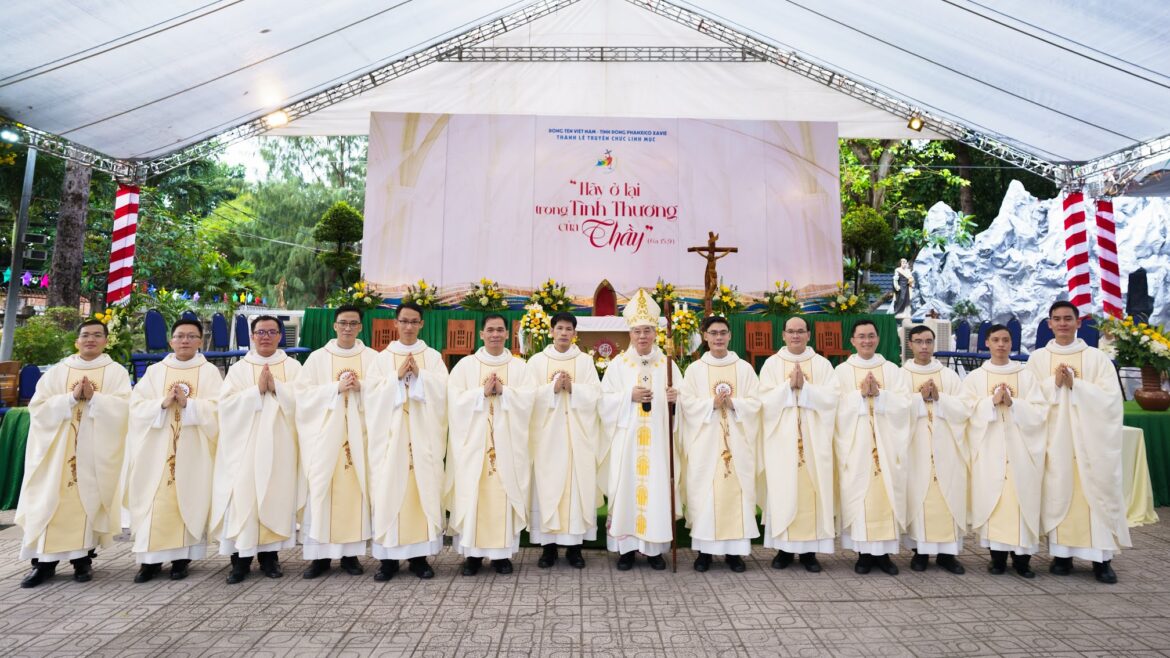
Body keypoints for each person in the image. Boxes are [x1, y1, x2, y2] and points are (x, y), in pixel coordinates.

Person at [15, 319, 131, 587]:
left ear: (105, 341)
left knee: (86, 502)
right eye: (85, 335)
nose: (91, 339)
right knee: (48, 503)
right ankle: (43, 564)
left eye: (97, 335)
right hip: (56, 454)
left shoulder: (115, 373)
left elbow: (125, 409)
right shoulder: (58, 371)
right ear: (77, 341)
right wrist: (69, 398)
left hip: (93, 453)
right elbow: (38, 407)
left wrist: (95, 398)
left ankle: (82, 562)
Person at [1027, 301, 1130, 583]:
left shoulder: (1097, 359)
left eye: (1068, 319)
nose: (1062, 324)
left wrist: (1076, 385)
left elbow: (1111, 401)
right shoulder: (1038, 359)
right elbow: (1029, 399)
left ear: (1078, 322)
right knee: (1059, 491)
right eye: (1057, 319)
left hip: (1091, 442)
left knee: (1095, 492)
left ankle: (1102, 559)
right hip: (1056, 440)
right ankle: (1062, 555)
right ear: (1049, 324)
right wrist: (1053, 384)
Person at [125, 318, 222, 582]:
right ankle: (149, 562)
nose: (185, 341)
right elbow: (136, 407)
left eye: (191, 336)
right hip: (157, 449)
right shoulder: (157, 371)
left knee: (188, 497)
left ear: (201, 341)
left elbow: (218, 409)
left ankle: (182, 559)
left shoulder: (209, 372)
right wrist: (162, 403)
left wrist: (190, 405)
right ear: (171, 341)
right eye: (180, 336)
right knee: (154, 500)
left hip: (193, 449)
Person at [212, 315, 302, 584]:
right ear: (252, 336)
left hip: (281, 444)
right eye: (260, 332)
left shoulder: (294, 367)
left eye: (271, 332)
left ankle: (270, 558)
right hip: (245, 446)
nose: (265, 336)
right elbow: (225, 406)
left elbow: (306, 402)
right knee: (244, 497)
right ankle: (239, 561)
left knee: (275, 495)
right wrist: (255, 392)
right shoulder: (240, 369)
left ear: (279, 336)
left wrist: (277, 388)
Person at [599, 289, 682, 571]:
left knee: (657, 489)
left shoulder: (668, 364)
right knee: (627, 490)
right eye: (637, 331)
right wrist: (627, 397)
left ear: (655, 332)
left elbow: (681, 402)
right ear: (630, 334)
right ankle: (627, 549)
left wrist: (675, 402)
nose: (642, 336)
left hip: (657, 442)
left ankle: (654, 549)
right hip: (628, 442)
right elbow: (603, 403)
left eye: (647, 330)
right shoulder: (618, 365)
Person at [447, 314, 534, 576]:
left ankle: (501, 555)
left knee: (503, 493)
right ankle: (472, 556)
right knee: (474, 493)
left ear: (507, 334)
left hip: (507, 445)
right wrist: (481, 393)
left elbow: (530, 401)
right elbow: (453, 400)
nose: (495, 334)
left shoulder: (520, 367)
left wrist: (505, 392)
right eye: (490, 330)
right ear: (481, 334)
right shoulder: (465, 366)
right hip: (474, 445)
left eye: (500, 330)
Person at [295, 304, 378, 579]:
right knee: (321, 490)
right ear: (334, 325)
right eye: (343, 322)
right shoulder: (318, 358)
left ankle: (350, 555)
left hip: (360, 438)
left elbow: (383, 394)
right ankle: (319, 557)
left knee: (355, 491)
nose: (347, 328)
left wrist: (362, 388)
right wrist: (335, 388)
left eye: (353, 323)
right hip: (323, 439)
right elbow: (303, 396)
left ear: (360, 327)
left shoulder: (372, 358)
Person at [366, 302, 448, 581]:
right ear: (395, 323)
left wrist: (422, 377)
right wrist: (396, 377)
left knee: (420, 490)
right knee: (389, 490)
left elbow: (445, 393)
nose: (409, 326)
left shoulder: (433, 357)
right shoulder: (382, 358)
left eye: (414, 321)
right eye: (404, 321)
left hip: (423, 438)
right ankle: (388, 560)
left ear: (422, 324)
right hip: (391, 439)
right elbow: (371, 396)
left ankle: (418, 558)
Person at [679, 315, 761, 572]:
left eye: (723, 333)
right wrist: (710, 404)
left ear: (729, 336)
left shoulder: (744, 368)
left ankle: (734, 553)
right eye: (713, 333)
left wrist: (734, 403)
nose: (718, 338)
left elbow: (757, 403)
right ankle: (704, 552)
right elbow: (685, 404)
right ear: (704, 336)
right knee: (705, 493)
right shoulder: (695, 370)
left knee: (735, 493)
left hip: (737, 443)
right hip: (704, 444)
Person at [965, 324, 1047, 578]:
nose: (1001, 345)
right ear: (986, 344)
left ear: (1012, 344)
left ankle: (1023, 561)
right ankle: (997, 559)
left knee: (1021, 500)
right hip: (990, 448)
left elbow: (1040, 411)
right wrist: (990, 402)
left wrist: (1015, 404)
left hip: (1021, 450)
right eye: (996, 340)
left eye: (1006, 340)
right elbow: (966, 410)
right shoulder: (976, 377)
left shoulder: (1026, 376)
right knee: (995, 499)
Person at [758, 316, 839, 573]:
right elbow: (763, 401)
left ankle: (809, 553)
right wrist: (787, 387)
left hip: (815, 441)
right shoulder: (772, 364)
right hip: (781, 441)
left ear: (808, 335)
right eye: (791, 331)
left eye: (800, 331)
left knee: (812, 491)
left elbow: (833, 399)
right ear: (782, 335)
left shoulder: (822, 365)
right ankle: (783, 550)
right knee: (783, 490)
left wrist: (806, 390)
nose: (795, 336)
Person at [523, 312, 602, 569]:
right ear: (551, 331)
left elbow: (596, 395)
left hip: (578, 437)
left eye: (569, 329)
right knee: (547, 488)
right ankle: (548, 548)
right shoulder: (536, 362)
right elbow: (526, 397)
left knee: (577, 488)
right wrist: (552, 389)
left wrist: (574, 389)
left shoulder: (585, 361)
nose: (564, 333)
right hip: (546, 438)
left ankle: (575, 549)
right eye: (560, 328)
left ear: (575, 333)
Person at [834, 320, 912, 576]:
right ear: (852, 341)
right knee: (860, 492)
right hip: (856, 446)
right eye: (861, 337)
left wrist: (881, 395)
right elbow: (835, 406)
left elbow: (905, 405)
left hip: (887, 445)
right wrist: (859, 396)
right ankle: (864, 555)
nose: (866, 341)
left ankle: (885, 555)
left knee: (886, 493)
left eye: (871, 336)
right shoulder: (843, 371)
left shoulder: (891, 369)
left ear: (877, 339)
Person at [901, 325, 969, 574]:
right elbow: (896, 410)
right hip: (916, 447)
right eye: (918, 342)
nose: (924, 347)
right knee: (919, 495)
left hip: (946, 447)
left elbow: (964, 409)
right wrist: (920, 399)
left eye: (928, 342)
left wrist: (941, 399)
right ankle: (920, 552)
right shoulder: (902, 375)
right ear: (910, 344)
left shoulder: (948, 375)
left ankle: (947, 554)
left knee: (947, 494)